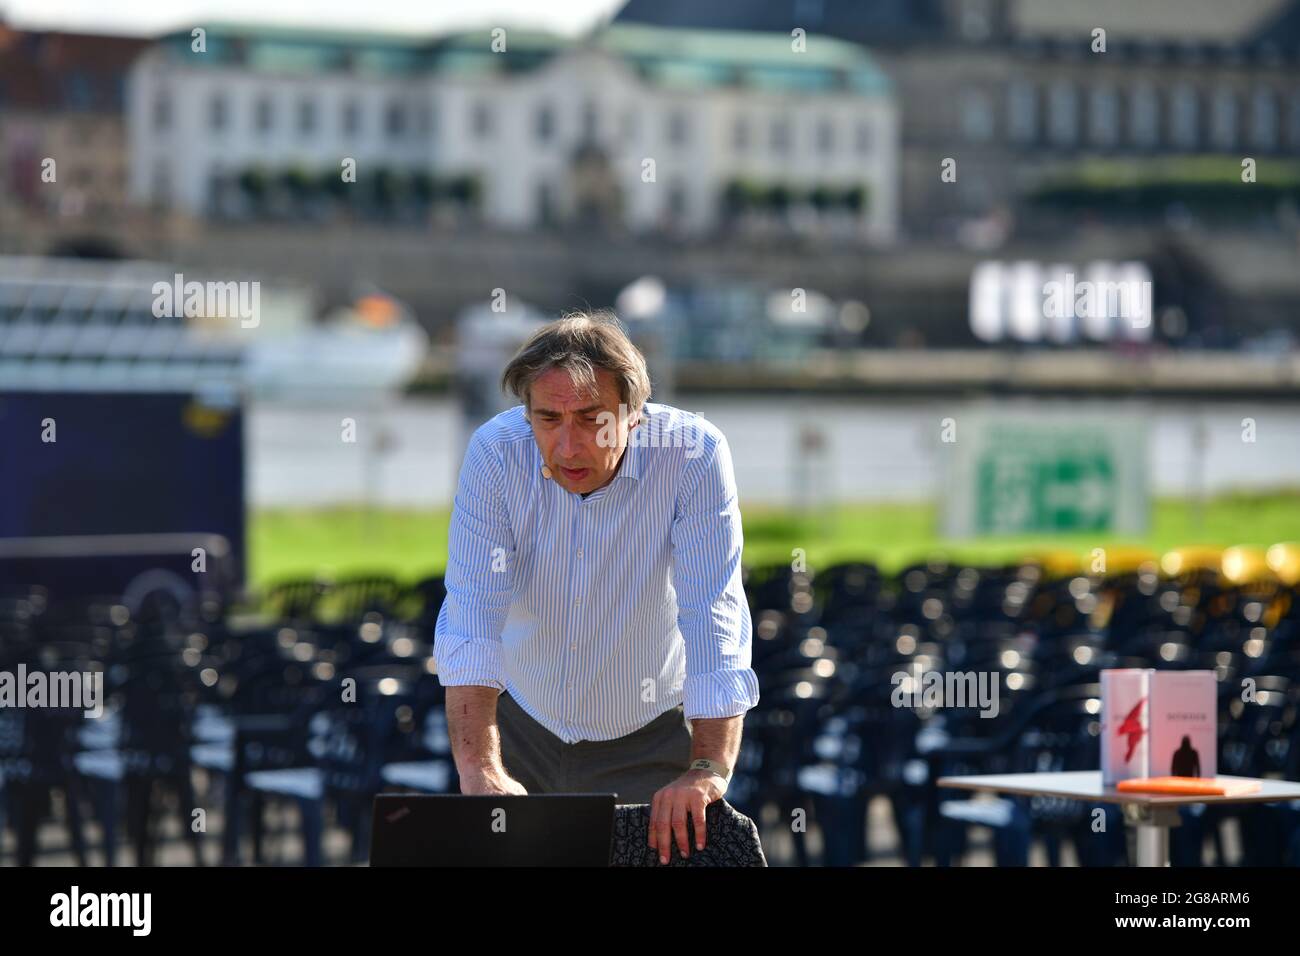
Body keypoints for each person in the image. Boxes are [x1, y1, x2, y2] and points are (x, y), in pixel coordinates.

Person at [434, 311, 760, 863]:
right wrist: (481, 768)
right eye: (547, 419)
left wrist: (707, 768)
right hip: (520, 726)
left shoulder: (693, 453)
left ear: (634, 415)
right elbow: (471, 613)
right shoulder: (494, 452)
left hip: (652, 731)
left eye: (590, 419)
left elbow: (714, 611)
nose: (567, 447)